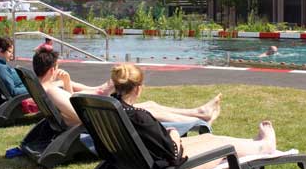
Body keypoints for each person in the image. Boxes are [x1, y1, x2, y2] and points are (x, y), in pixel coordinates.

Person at [110, 63, 278, 169]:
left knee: (210, 139)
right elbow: (174, 155)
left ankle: (253, 143)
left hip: (136, 163)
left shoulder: (112, 110)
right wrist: (174, 133)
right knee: (222, 145)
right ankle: (265, 147)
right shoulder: (139, 117)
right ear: (138, 88)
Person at [33, 47, 222, 129]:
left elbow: (74, 106)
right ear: (52, 69)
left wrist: (72, 86)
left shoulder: (46, 87)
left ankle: (199, 113)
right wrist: (100, 98)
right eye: (57, 66)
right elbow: (78, 115)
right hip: (100, 124)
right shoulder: (52, 90)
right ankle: (200, 121)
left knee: (150, 104)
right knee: (147, 109)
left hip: (98, 116)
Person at [0, 36, 111, 98]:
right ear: (1, 51)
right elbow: (13, 92)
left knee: (63, 82)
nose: (11, 55)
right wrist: (35, 87)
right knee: (63, 83)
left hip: (34, 85)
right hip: (35, 88)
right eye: (10, 52)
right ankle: (97, 91)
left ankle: (95, 90)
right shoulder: (1, 68)